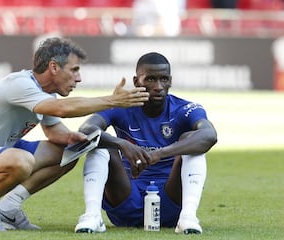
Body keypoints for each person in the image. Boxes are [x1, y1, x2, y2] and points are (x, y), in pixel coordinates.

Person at [0, 37, 149, 231]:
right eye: (74, 70)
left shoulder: (45, 93)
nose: (79, 78)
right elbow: (61, 109)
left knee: (69, 154)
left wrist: (71, 138)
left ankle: (8, 208)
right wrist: (112, 101)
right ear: (54, 67)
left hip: (2, 152)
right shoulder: (20, 84)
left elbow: (53, 129)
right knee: (22, 160)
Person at [74, 52, 217, 234]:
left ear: (170, 81)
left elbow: (209, 135)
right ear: (136, 81)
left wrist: (160, 153)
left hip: (170, 202)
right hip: (126, 200)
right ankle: (92, 215)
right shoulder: (121, 106)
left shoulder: (185, 109)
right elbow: (86, 130)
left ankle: (187, 218)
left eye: (164, 79)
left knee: (192, 142)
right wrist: (122, 144)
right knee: (100, 143)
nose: (158, 86)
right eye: (150, 79)